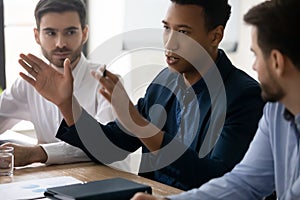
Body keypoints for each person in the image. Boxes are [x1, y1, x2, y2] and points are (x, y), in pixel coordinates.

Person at [18, 0, 265, 191]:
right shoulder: (163, 82)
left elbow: (217, 179)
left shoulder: (244, 96)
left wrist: (139, 124)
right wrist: (66, 105)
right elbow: (112, 146)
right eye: (166, 28)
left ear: (215, 36)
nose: (170, 43)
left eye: (184, 33)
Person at [131, 0, 300, 199]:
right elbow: (244, 182)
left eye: (255, 55)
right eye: (167, 28)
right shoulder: (276, 112)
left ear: (276, 61)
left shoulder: (245, 95)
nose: (254, 67)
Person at [0, 0, 116, 167]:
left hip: (107, 183)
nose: (60, 43)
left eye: (70, 32)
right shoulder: (27, 84)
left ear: (84, 33)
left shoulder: (107, 82)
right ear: (36, 35)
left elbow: (106, 143)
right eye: (50, 33)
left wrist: (37, 153)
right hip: (51, 182)